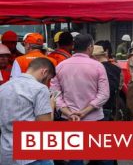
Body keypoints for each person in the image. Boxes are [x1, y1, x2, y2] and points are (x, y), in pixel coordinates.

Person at [50, 34, 111, 165]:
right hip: (94, 118)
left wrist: (68, 112)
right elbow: (104, 94)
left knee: (74, 157)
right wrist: (85, 111)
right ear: (90, 47)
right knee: (98, 158)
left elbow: (54, 94)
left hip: (69, 119)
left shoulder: (61, 66)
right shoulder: (98, 66)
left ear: (73, 47)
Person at [0, 57, 56, 165]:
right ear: (44, 72)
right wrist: (51, 105)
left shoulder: (3, 87)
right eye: (48, 79)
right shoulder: (40, 89)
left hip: (6, 153)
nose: (48, 83)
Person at [92, 45, 122, 121]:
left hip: (98, 108)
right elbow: (119, 87)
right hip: (111, 105)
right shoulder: (117, 68)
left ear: (94, 57)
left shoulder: (98, 68)